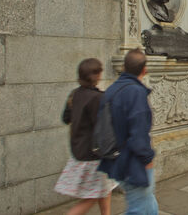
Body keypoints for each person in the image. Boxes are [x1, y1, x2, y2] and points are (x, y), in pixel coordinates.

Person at [98, 49, 158, 215]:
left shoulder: (111, 90)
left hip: (115, 161)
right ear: (144, 70)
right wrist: (147, 158)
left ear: (124, 67)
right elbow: (138, 135)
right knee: (138, 209)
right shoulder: (136, 92)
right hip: (133, 163)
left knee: (149, 206)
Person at [54, 58, 117, 215]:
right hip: (93, 155)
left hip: (79, 150)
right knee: (91, 197)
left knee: (103, 188)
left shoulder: (74, 94)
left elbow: (65, 118)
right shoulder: (98, 98)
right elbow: (104, 127)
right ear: (96, 75)